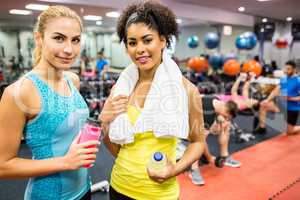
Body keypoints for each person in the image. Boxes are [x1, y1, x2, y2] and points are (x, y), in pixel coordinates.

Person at [99, 1, 205, 199]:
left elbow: (198, 142)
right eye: (132, 43)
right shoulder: (120, 89)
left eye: (147, 40)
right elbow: (114, 145)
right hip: (119, 186)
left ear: (163, 41)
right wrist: (104, 120)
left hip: (159, 193)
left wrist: (174, 169)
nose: (140, 49)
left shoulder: (187, 90)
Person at [0, 6, 99, 200]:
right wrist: (65, 162)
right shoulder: (19, 92)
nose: (69, 49)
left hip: (83, 189)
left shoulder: (73, 79)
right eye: (59, 38)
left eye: (75, 40)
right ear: (39, 38)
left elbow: (70, 128)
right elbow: (3, 165)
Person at [189, 96, 240, 185]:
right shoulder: (208, 112)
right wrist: (210, 158)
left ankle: (224, 156)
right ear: (226, 111)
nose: (226, 117)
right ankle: (193, 168)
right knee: (199, 139)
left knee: (225, 124)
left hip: (197, 116)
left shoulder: (217, 101)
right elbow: (201, 139)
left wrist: (221, 120)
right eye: (226, 116)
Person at [256, 60, 300, 135]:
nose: (286, 71)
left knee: (289, 132)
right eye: (285, 68)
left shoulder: (298, 81)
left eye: (288, 69)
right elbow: (275, 91)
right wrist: (267, 100)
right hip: (281, 106)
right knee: (263, 105)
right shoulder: (284, 79)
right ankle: (262, 128)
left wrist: (290, 98)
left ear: (294, 70)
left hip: (292, 109)